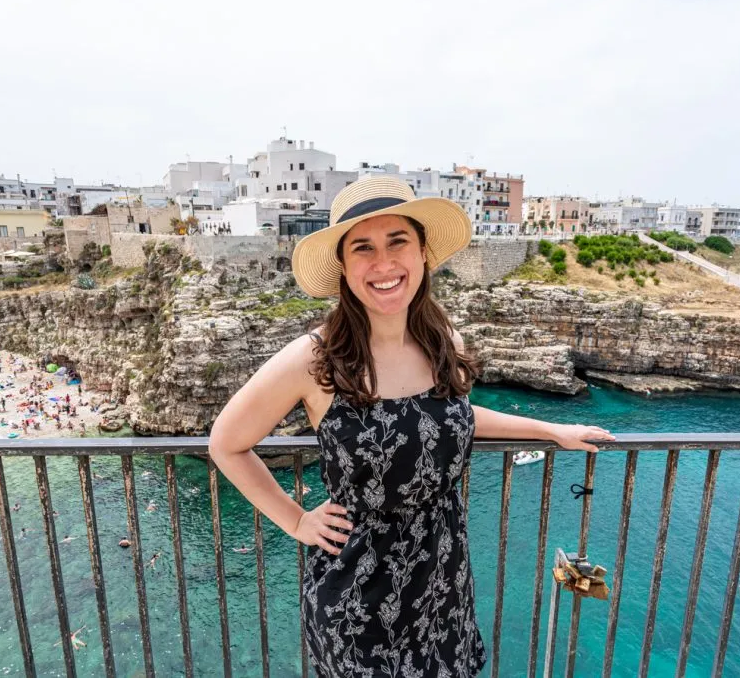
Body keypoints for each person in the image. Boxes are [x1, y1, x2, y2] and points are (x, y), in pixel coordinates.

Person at [208, 178, 613, 677]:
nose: (383, 264)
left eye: (397, 241)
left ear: (422, 253)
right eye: (363, 248)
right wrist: (295, 521)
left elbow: (449, 419)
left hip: (443, 586)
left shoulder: (439, 338)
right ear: (344, 268)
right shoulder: (315, 359)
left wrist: (550, 430)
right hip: (358, 602)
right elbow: (227, 444)